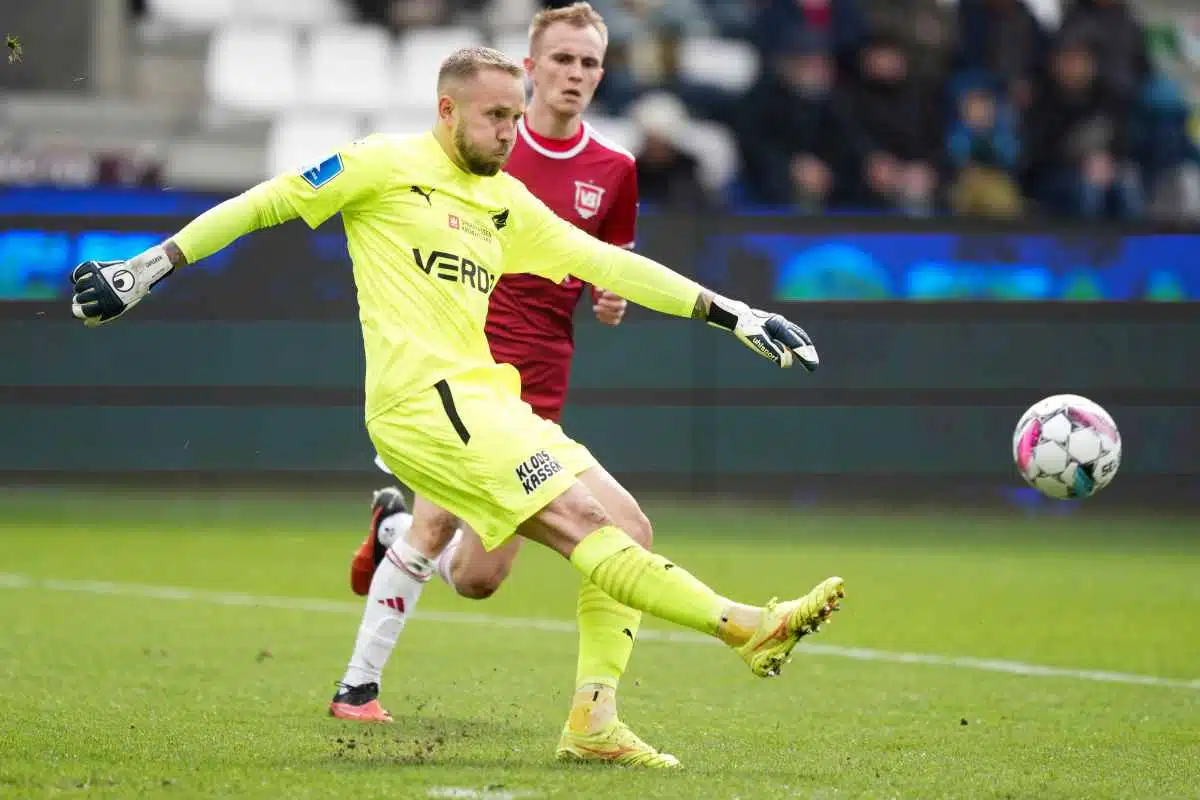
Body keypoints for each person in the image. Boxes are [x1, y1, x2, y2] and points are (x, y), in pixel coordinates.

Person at [69, 44, 844, 770]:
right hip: (420, 405)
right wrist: (146, 268)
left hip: (487, 396)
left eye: (515, 116)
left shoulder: (504, 204)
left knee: (627, 525)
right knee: (584, 528)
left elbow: (607, 263)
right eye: (494, 116)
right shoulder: (380, 165)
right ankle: (745, 627)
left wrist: (737, 314)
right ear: (447, 111)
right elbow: (261, 205)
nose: (510, 132)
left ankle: (593, 720)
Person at [343, 1, 657, 761]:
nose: (574, 74)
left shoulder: (613, 172)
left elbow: (604, 272)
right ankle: (357, 687)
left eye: (588, 63)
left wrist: (609, 302)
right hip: (462, 376)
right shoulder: (485, 145)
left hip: (542, 380)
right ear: (530, 65)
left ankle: (386, 528)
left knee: (480, 578)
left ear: (601, 74)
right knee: (437, 522)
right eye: (561, 60)